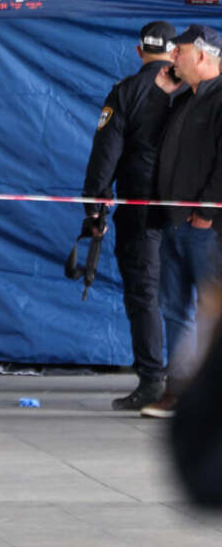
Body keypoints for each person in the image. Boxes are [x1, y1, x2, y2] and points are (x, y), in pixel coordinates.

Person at [82, 21, 177, 411]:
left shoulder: (126, 92)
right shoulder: (196, 89)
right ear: (174, 52)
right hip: (191, 212)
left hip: (141, 210)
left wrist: (94, 208)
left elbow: (104, 156)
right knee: (191, 298)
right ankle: (191, 384)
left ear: (139, 52)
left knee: (144, 295)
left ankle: (153, 380)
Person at [141, 25, 222, 418]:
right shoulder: (184, 100)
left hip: (208, 230)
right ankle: (179, 392)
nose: (172, 58)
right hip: (173, 224)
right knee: (174, 309)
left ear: (203, 55)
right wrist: (161, 96)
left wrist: (206, 211)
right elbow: (149, 142)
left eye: (180, 52)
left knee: (212, 312)